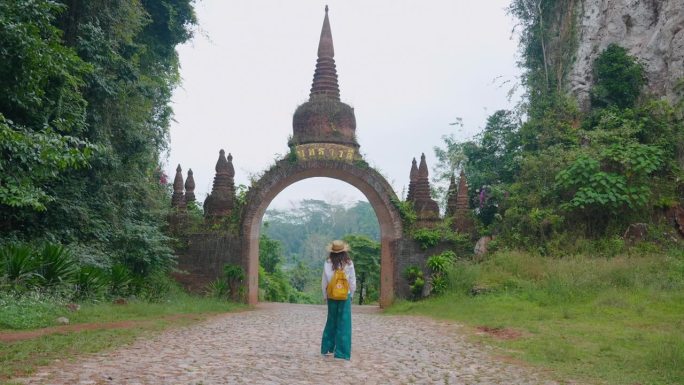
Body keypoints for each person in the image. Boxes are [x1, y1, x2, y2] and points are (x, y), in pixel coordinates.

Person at [320, 239, 356, 360]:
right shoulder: (349, 263)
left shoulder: (327, 263)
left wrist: (325, 295)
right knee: (344, 323)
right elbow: (352, 281)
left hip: (332, 296)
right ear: (344, 251)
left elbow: (324, 281)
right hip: (345, 296)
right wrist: (351, 295)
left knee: (331, 321)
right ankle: (342, 352)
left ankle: (327, 349)